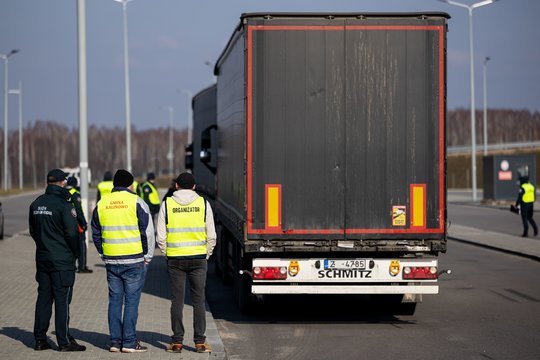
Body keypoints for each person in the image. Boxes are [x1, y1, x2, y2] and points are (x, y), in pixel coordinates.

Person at [92, 169, 155, 353]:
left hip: (111, 260)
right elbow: (148, 232)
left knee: (114, 301)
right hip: (134, 260)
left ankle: (114, 342)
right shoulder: (137, 202)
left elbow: (96, 232)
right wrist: (148, 256)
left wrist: (103, 253)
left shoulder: (102, 204)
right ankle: (128, 342)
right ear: (130, 184)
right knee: (131, 302)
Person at [156, 172, 216, 353]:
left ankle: (177, 342)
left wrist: (168, 254)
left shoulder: (167, 204)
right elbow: (211, 235)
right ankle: (199, 342)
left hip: (175, 259)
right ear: (194, 187)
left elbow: (161, 236)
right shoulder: (203, 203)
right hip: (198, 258)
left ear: (176, 187)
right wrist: (206, 254)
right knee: (199, 301)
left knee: (177, 301)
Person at [29, 169, 86, 352]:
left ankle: (39, 339)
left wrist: (45, 245)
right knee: (62, 300)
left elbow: (33, 231)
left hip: (43, 259)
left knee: (43, 299)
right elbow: (72, 234)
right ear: (62, 183)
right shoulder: (64, 205)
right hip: (62, 261)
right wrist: (76, 254)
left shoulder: (36, 203)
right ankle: (64, 341)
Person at [66, 177, 92, 273]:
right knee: (81, 245)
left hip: (65, 223)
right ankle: (82, 266)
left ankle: (70, 266)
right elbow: (78, 210)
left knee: (69, 245)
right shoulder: (75, 193)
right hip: (76, 224)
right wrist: (83, 223)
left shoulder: (63, 192)